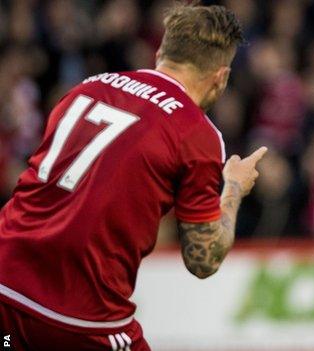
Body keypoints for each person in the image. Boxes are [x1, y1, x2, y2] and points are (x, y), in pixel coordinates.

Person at [0, 3, 266, 350]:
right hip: (83, 317)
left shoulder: (88, 88)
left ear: (159, 53)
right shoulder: (196, 133)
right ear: (221, 77)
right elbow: (203, 259)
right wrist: (233, 186)